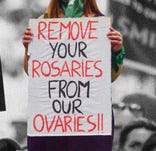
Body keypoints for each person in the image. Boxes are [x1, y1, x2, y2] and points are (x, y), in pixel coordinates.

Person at [22, 0, 125, 151]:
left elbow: (110, 77)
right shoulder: (43, 23)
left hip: (89, 120)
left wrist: (117, 50)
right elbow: (33, 73)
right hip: (51, 118)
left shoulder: (99, 24)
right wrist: (28, 48)